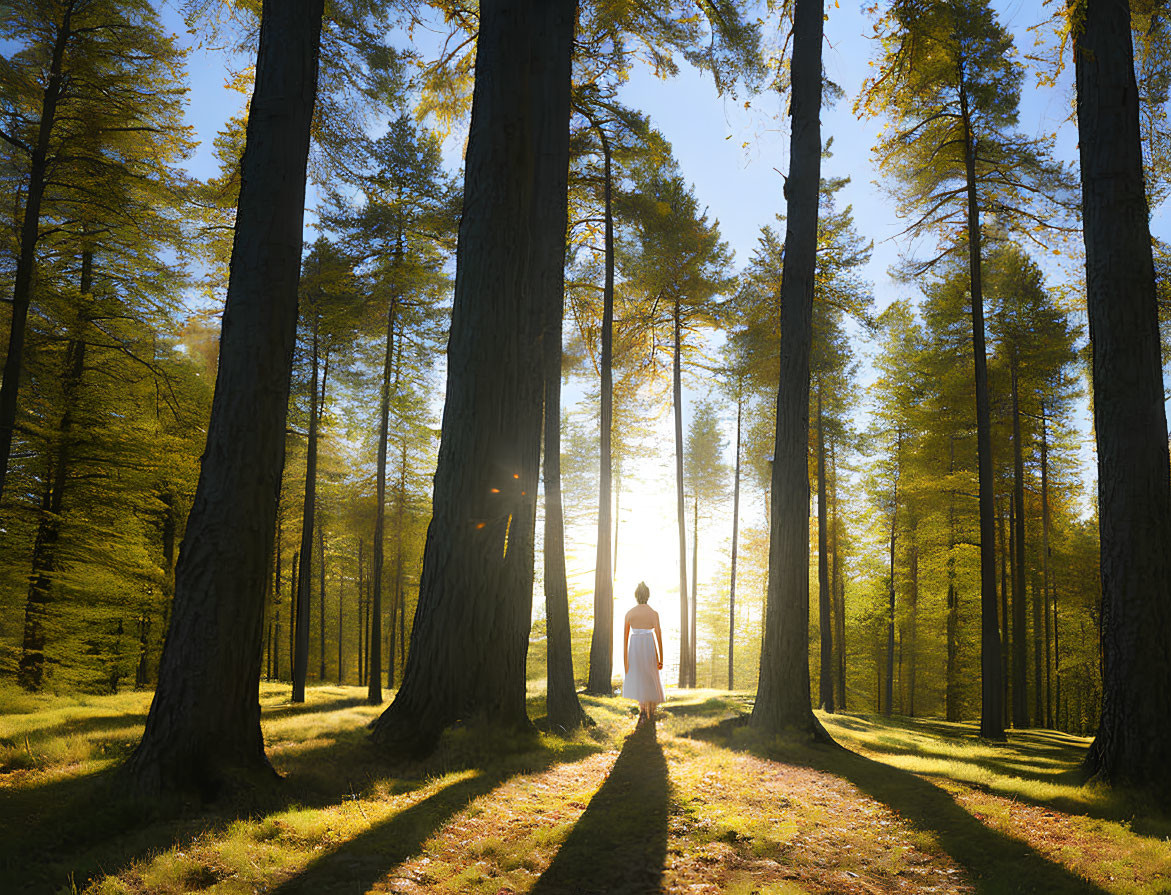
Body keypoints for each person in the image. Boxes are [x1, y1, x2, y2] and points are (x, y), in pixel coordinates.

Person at [622, 581, 665, 724]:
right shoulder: (653, 613)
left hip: (634, 647)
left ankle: (642, 711)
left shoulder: (629, 613)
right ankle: (650, 712)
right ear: (648, 595)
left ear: (636, 596)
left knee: (640, 676)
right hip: (649, 644)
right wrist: (661, 658)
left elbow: (625, 640)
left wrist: (625, 662)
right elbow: (659, 637)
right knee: (651, 676)